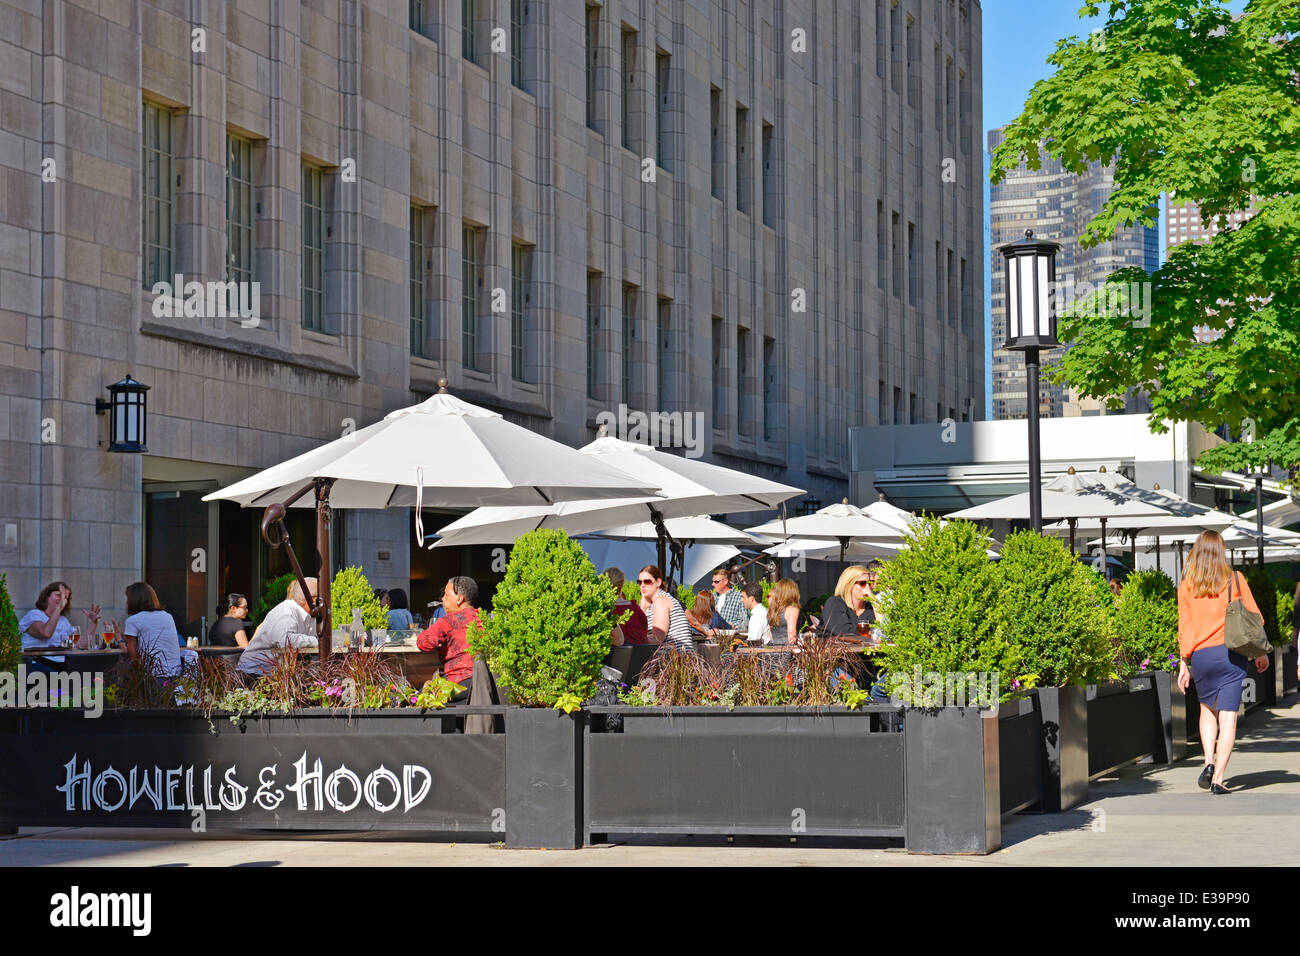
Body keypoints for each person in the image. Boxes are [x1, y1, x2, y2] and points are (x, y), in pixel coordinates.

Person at [1177, 530, 1271, 794]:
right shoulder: (1235, 580)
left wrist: (1183, 663)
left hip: (1201, 656)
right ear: (1221, 551)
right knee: (1228, 718)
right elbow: (1255, 619)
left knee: (1207, 710)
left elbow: (1185, 627)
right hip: (1231, 654)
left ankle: (1208, 761)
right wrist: (1260, 653)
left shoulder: (1186, 585)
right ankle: (1218, 779)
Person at [416, 576, 481, 702]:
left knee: (418, 697)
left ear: (459, 599)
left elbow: (423, 642)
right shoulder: (483, 618)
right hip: (482, 684)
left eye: (446, 595)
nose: (442, 599)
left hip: (456, 684)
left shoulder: (449, 621)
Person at [237, 578, 320, 677]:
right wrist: (316, 641)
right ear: (313, 599)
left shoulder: (309, 615)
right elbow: (285, 640)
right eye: (320, 599)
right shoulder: (286, 611)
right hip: (254, 673)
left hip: (276, 674)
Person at [19, 582, 101, 670]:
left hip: (61, 665)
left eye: (65, 597)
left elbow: (80, 644)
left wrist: (93, 623)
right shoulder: (34, 614)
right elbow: (46, 633)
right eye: (58, 595)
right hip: (36, 664)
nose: (62, 599)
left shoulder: (63, 621)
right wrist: (59, 607)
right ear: (47, 596)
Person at [122, 581, 196, 677]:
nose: (126, 602)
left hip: (152, 678)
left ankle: (99, 691)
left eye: (127, 599)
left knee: (104, 672)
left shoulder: (132, 621)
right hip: (175, 675)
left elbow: (133, 656)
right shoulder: (167, 616)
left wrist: (120, 640)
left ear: (134, 600)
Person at [638, 565, 696, 653]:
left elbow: (657, 638)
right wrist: (643, 608)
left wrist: (632, 638)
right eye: (639, 582)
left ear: (658, 582)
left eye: (647, 581)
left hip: (677, 661)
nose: (642, 585)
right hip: (673, 659)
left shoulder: (661, 600)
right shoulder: (655, 602)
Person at [820, 565, 876, 637]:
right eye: (863, 583)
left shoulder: (871, 608)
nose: (868, 587)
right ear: (849, 585)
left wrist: (875, 603)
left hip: (864, 648)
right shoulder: (835, 603)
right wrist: (870, 633)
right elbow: (844, 632)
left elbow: (883, 630)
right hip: (834, 647)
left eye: (870, 583)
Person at [605, 568, 649, 644]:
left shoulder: (604, 612)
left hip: (615, 655)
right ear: (622, 586)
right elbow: (644, 633)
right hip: (641, 654)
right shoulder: (635, 609)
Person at [767, 578, 801, 646]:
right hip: (785, 649)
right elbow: (791, 633)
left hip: (771, 646)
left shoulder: (773, 610)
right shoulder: (792, 609)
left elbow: (770, 634)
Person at [711, 566, 747, 631]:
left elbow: (745, 623)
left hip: (731, 639)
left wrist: (730, 626)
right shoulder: (712, 597)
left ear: (725, 581)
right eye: (713, 581)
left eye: (716, 582)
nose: (713, 584)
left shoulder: (739, 597)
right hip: (713, 638)